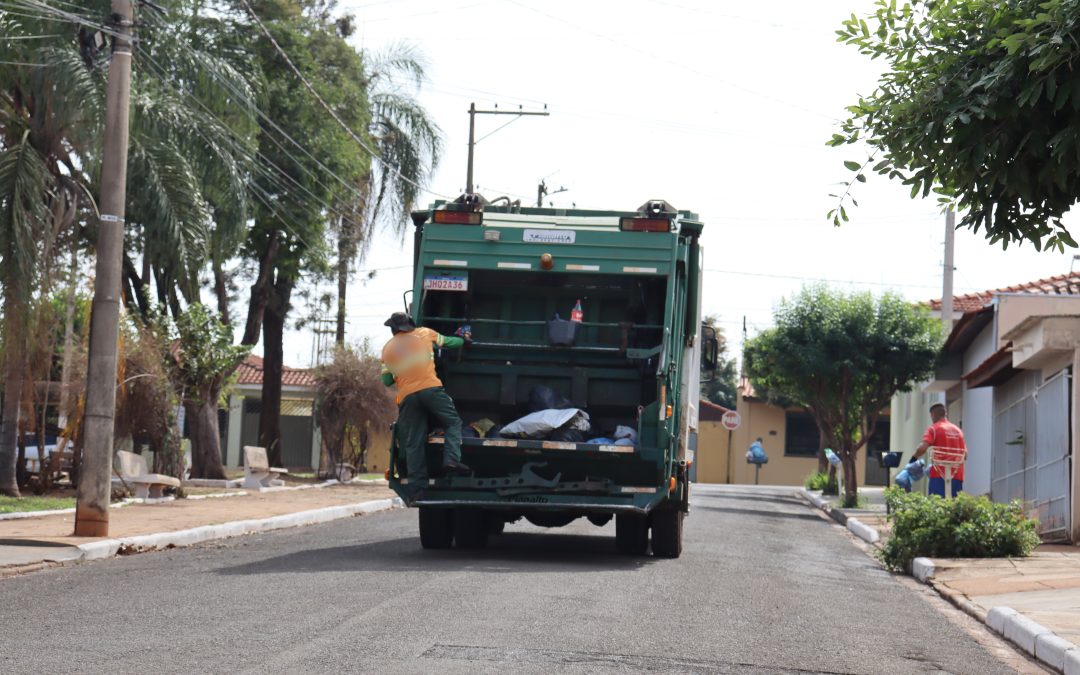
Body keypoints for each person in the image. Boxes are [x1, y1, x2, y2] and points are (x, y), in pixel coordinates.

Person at [380, 312, 471, 499]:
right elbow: (451, 342)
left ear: (393, 329)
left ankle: (417, 489)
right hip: (431, 390)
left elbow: (387, 380)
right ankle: (451, 459)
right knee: (453, 422)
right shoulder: (424, 333)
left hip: (407, 397)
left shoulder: (387, 349)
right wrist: (464, 340)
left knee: (414, 441)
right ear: (409, 325)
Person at [911, 403, 966, 497]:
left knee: (937, 507)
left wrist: (913, 458)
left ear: (932, 414)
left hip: (939, 474)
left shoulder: (933, 429)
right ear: (945, 413)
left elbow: (922, 448)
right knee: (954, 507)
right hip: (957, 476)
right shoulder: (958, 430)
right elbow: (965, 455)